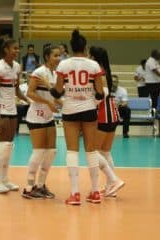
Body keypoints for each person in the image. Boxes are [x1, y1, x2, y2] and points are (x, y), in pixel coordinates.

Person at [52, 29, 105, 205]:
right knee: (91, 150)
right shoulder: (94, 66)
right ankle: (96, 192)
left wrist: (57, 90)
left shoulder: (63, 65)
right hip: (89, 109)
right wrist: (88, 95)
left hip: (70, 110)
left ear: (71, 48)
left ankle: (75, 194)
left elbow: (58, 90)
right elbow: (100, 92)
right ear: (85, 47)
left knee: (72, 150)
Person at [22, 45, 61, 199]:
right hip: (36, 116)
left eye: (59, 55)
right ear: (46, 57)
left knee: (51, 152)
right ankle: (29, 187)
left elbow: (54, 95)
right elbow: (30, 93)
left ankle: (41, 185)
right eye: (55, 55)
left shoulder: (57, 74)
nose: (58, 58)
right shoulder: (39, 72)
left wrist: (64, 104)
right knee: (39, 152)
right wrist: (48, 103)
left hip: (48, 117)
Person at [0, 38, 29, 193]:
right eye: (14, 48)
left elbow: (17, 90)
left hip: (12, 109)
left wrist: (29, 101)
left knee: (9, 146)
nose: (17, 51)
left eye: (18, 48)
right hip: (1, 110)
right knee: (3, 145)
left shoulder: (17, 67)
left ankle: (5, 180)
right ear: (6, 49)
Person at [89, 46, 125, 198]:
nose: (88, 58)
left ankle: (110, 182)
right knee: (105, 152)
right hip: (112, 114)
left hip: (103, 115)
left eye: (90, 55)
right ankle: (112, 187)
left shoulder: (99, 72)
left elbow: (101, 96)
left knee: (93, 152)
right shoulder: (105, 70)